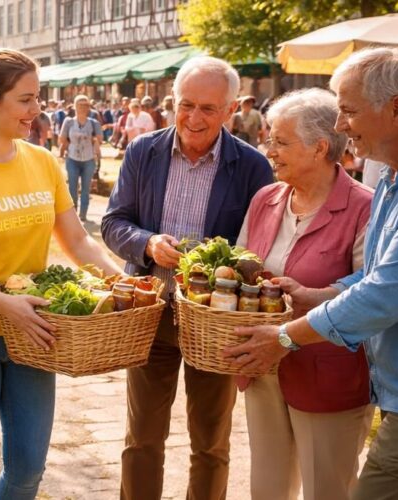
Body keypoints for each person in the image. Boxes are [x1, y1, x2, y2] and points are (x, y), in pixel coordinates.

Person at [225, 47, 398, 500]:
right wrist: (322, 294)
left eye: (349, 111)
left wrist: (285, 336)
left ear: (397, 109)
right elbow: (374, 278)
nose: (341, 126)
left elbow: (387, 292)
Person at [0, 49, 123, 499]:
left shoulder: (42, 162)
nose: (38, 110)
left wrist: (119, 279)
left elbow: (78, 240)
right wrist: (6, 305)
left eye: (39, 98)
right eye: (26, 100)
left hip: (35, 335)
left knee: (29, 467)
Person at [101, 56, 274, 500]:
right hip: (150, 310)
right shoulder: (144, 151)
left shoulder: (252, 166)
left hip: (215, 321)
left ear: (231, 109)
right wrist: (146, 242)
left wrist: (226, 267)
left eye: (208, 109)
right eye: (185, 104)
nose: (193, 118)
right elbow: (114, 222)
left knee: (211, 441)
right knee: (142, 437)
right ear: (171, 101)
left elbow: (261, 245)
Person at [227, 88, 375, 500]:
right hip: (262, 368)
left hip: (328, 376)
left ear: (320, 147)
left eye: (280, 141)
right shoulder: (265, 199)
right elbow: (241, 269)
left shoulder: (366, 208)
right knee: (267, 489)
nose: (268, 149)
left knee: (328, 490)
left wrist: (312, 295)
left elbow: (370, 295)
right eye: (269, 138)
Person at [59, 95, 102, 222]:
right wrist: (67, 148)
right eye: (80, 105)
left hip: (89, 159)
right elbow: (62, 139)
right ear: (74, 106)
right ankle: (73, 214)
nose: (83, 108)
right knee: (72, 188)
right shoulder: (68, 121)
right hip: (72, 158)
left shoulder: (94, 123)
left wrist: (92, 139)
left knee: (85, 188)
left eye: (86, 105)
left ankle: (83, 214)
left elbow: (100, 139)